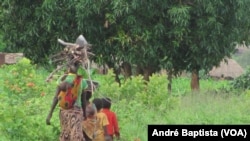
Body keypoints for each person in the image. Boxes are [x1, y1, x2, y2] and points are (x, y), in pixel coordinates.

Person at [46, 63, 88, 141]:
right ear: (79, 67)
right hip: (77, 113)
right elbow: (83, 101)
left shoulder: (62, 79)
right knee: (76, 136)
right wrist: (85, 114)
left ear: (68, 65)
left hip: (64, 113)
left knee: (66, 134)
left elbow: (56, 97)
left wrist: (50, 113)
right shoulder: (82, 81)